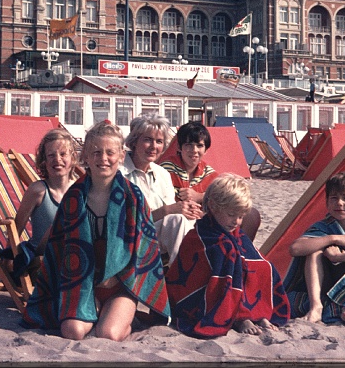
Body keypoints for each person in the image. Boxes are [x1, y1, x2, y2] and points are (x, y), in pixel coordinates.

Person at [24, 120, 170, 341]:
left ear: (121, 156)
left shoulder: (134, 197)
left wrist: (119, 279)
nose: (103, 159)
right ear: (85, 157)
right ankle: (99, 312)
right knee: (72, 332)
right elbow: (57, 247)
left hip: (121, 285)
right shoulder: (74, 197)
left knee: (108, 334)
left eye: (110, 153)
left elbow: (146, 250)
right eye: (96, 152)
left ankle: (122, 317)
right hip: (82, 284)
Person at [166, 173, 289, 338]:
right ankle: (239, 317)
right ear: (214, 206)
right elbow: (189, 272)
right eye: (231, 215)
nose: (237, 221)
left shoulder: (235, 233)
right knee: (230, 261)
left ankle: (258, 314)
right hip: (200, 300)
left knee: (261, 265)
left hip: (231, 246)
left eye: (240, 216)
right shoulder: (200, 237)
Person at [282, 172, 345, 325]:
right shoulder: (322, 227)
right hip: (324, 286)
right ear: (327, 203)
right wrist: (333, 238)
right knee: (314, 251)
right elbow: (295, 248)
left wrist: (339, 257)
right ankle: (316, 306)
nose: (339, 203)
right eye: (334, 198)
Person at [120, 114, 203, 266]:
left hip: (160, 236)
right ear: (134, 141)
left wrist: (188, 211)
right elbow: (125, 220)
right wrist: (167, 210)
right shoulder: (120, 173)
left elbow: (172, 213)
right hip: (133, 236)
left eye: (159, 141)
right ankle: (181, 275)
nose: (154, 147)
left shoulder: (162, 173)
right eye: (147, 140)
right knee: (176, 220)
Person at [0, 128, 80, 282]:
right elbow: (17, 227)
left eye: (63, 154)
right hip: (42, 258)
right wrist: (9, 258)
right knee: (62, 221)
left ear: (73, 158)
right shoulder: (38, 190)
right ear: (44, 161)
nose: (57, 159)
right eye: (51, 155)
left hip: (73, 254)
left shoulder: (80, 189)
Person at [160, 121, 261, 241]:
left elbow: (225, 198)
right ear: (179, 147)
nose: (194, 150)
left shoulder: (209, 173)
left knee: (251, 215)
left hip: (203, 218)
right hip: (175, 221)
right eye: (188, 145)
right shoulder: (166, 169)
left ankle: (239, 251)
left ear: (206, 149)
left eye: (199, 145)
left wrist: (199, 196)